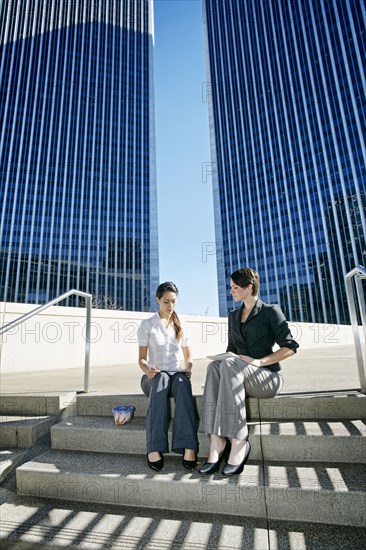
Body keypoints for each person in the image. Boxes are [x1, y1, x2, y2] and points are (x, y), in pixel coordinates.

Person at [198, 267, 299, 476]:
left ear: (249, 287)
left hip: (267, 377)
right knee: (214, 366)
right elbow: (232, 352)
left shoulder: (271, 311)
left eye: (235, 287)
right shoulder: (234, 316)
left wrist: (260, 362)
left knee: (226, 365)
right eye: (231, 287)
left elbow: (290, 347)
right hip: (238, 375)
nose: (231, 291)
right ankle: (216, 441)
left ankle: (239, 441)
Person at [138, 281, 199, 472]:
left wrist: (188, 367)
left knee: (182, 382)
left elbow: (188, 356)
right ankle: (154, 447)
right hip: (153, 377)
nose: (170, 306)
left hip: (176, 375)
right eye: (166, 301)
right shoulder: (147, 324)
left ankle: (189, 446)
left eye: (173, 301)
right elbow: (141, 359)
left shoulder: (182, 325)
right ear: (157, 300)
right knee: (161, 378)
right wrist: (148, 370)